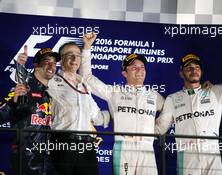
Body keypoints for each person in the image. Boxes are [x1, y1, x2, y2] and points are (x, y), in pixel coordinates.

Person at [155, 23, 222, 175]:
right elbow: (159, 128)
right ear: (181, 73)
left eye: (196, 67)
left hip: (212, 154)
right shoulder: (172, 99)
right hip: (187, 155)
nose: (193, 70)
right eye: (188, 67)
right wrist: (131, 127)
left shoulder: (214, 93)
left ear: (201, 71)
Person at [80, 33, 165, 175]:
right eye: (134, 67)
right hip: (123, 146)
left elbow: (170, 111)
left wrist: (157, 130)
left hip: (147, 147)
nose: (139, 70)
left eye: (142, 67)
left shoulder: (154, 95)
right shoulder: (115, 92)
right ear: (124, 73)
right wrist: (87, 47)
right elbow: (87, 78)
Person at [47, 36, 109, 175]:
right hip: (62, 144)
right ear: (60, 59)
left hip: (87, 146)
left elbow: (97, 118)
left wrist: (118, 113)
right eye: (70, 55)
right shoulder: (51, 81)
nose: (75, 59)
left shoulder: (84, 85)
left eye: (77, 55)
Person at [0, 47, 60, 175]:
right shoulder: (23, 88)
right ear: (36, 65)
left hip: (46, 161)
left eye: (54, 63)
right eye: (47, 61)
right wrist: (14, 101)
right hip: (26, 161)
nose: (52, 66)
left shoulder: (48, 94)